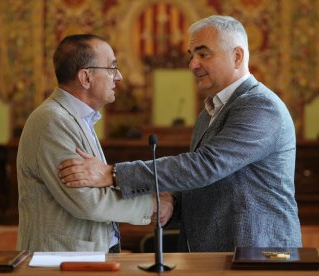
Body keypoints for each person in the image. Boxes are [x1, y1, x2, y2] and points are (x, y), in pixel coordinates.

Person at [58, 16, 302, 252]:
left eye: (203, 54)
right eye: (191, 55)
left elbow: (206, 166)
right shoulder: (211, 109)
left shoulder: (260, 106)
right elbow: (205, 181)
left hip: (258, 253)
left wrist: (113, 174)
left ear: (237, 56)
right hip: (218, 254)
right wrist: (171, 203)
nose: (193, 64)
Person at [16, 34, 173, 253]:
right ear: (86, 78)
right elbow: (87, 200)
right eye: (111, 68)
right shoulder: (53, 121)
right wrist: (151, 205)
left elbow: (100, 184)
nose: (118, 76)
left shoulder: (76, 118)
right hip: (59, 261)